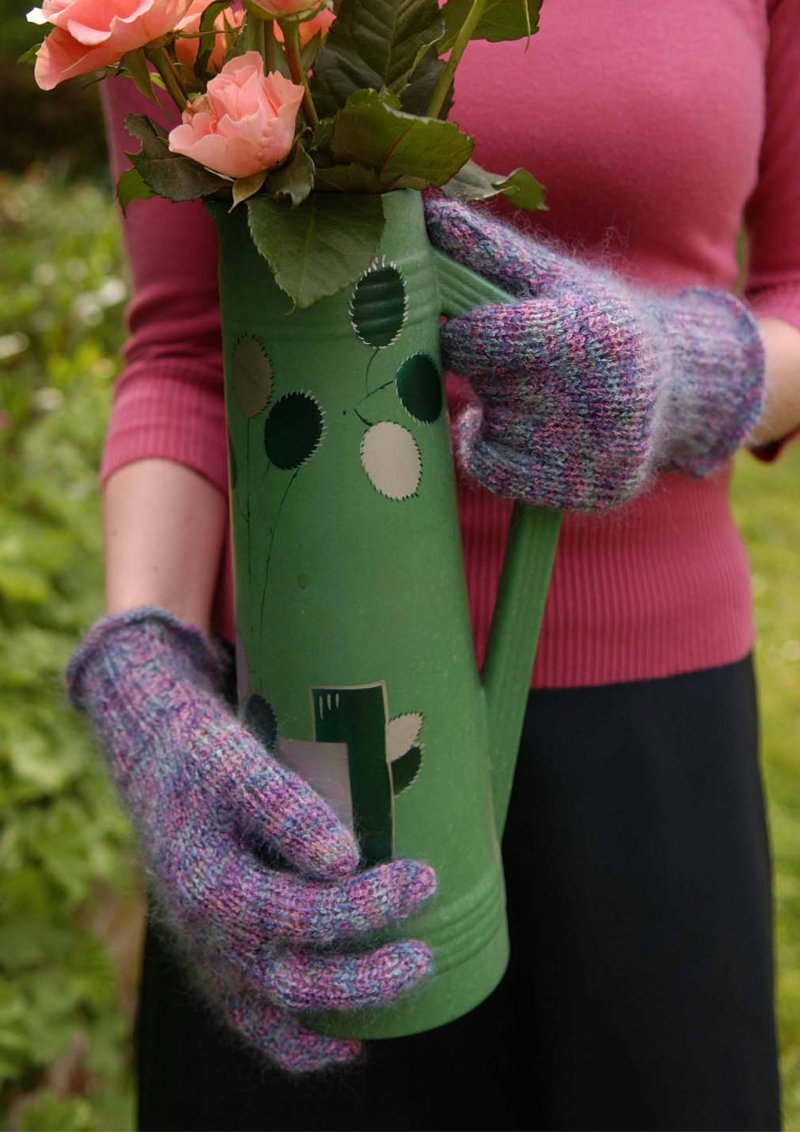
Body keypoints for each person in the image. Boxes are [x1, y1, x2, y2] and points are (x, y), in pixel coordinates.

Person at [67, 2, 800, 1129]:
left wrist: (682, 375)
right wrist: (146, 665)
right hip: (302, 738)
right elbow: (183, 347)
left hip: (647, 742)